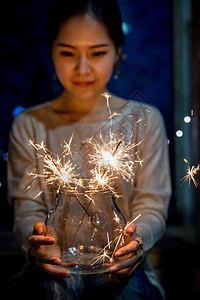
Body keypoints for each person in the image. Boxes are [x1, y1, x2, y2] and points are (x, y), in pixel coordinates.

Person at [8, 0, 171, 299]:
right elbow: (26, 209)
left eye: (97, 53)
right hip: (51, 271)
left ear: (118, 53)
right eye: (68, 53)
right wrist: (39, 242)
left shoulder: (144, 121)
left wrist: (137, 242)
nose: (82, 68)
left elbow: (152, 206)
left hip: (124, 272)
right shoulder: (29, 125)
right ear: (50, 53)